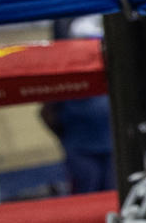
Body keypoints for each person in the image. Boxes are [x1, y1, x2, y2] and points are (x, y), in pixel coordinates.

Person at [41, 14, 114, 196]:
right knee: (86, 197)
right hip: (81, 149)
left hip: (112, 147)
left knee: (115, 198)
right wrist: (67, 139)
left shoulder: (111, 66)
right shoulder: (62, 71)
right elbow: (47, 112)